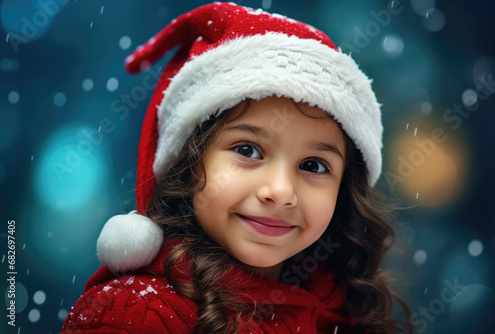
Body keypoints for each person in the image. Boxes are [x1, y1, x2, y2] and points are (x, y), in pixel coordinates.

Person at [62, 2, 410, 333]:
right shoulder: (132, 315)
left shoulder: (346, 313)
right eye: (248, 150)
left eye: (313, 165)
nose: (280, 192)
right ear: (189, 164)